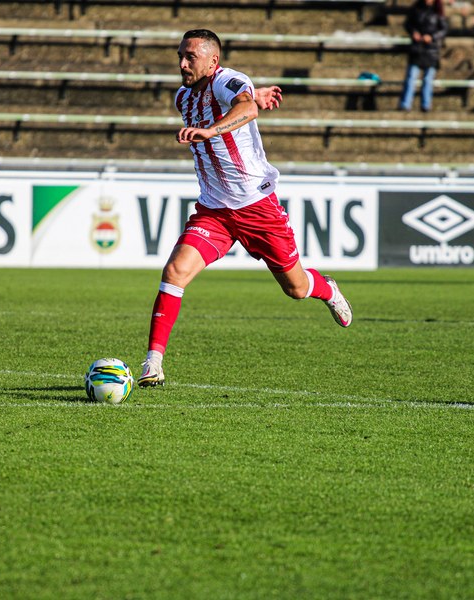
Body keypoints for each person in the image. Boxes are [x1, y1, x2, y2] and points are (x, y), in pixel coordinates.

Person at [137, 29, 353, 387]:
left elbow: (246, 106)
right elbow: (244, 101)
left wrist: (214, 128)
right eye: (180, 56)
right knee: (174, 272)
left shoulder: (227, 80)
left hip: (256, 206)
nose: (182, 64)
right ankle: (153, 363)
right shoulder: (182, 97)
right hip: (214, 211)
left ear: (213, 61)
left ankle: (327, 289)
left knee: (296, 288)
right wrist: (251, 96)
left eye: (190, 57)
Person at [398, 0, 448, 113]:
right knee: (411, 77)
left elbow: (444, 29)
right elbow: (408, 24)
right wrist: (413, 32)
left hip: (431, 50)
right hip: (417, 49)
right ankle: (405, 104)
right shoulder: (416, 8)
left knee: (428, 79)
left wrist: (432, 37)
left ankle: (426, 105)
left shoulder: (438, 11)